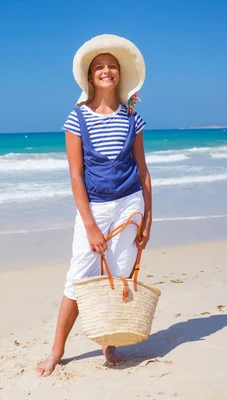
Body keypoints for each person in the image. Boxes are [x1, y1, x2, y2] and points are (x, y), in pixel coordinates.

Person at [37, 34, 152, 376]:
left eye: (112, 66)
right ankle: (57, 350)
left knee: (118, 276)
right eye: (99, 67)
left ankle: (109, 345)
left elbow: (143, 172)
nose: (106, 71)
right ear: (89, 77)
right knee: (79, 278)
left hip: (131, 203)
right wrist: (89, 224)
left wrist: (148, 219)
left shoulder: (133, 118)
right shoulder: (77, 119)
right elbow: (76, 176)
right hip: (95, 209)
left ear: (120, 74)